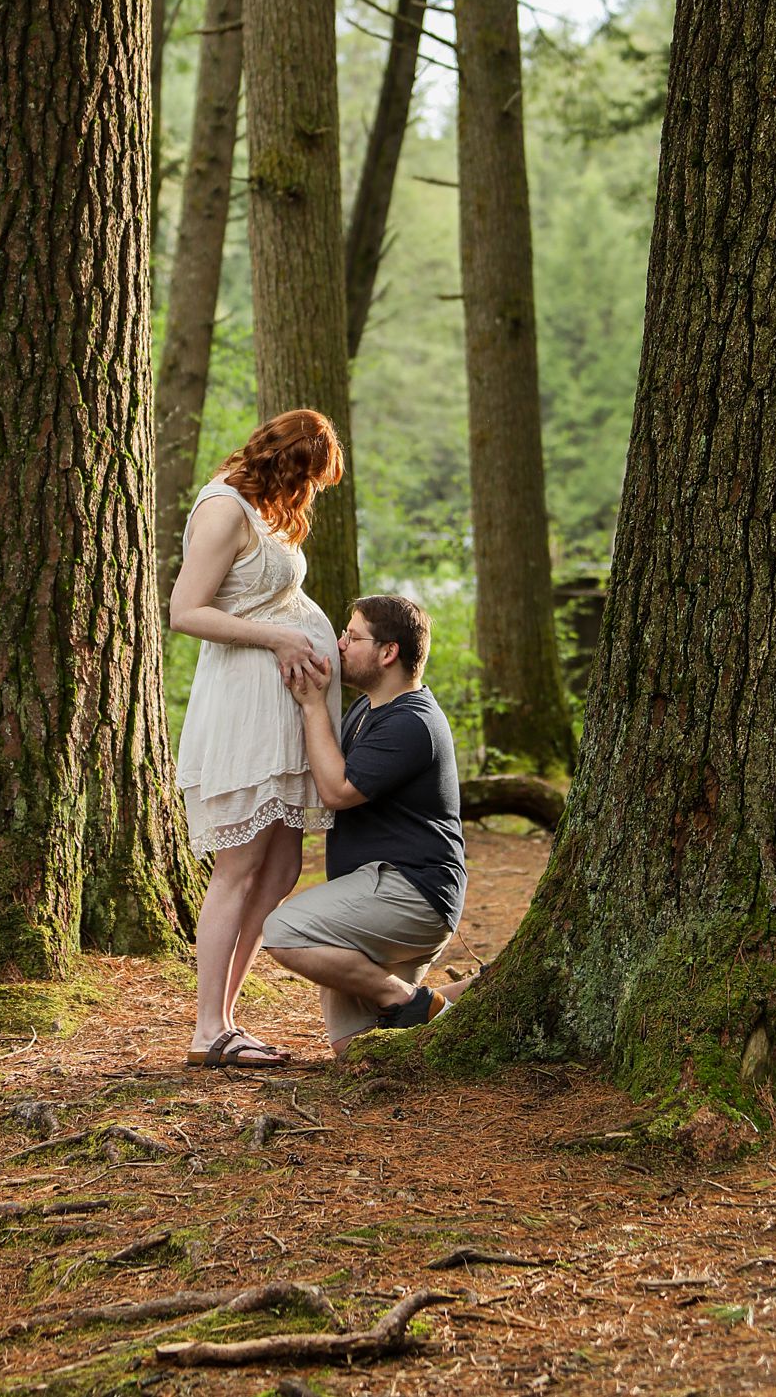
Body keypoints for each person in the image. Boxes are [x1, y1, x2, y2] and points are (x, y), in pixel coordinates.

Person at [169, 410, 345, 1067]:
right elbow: (186, 610)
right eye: (309, 475)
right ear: (284, 461)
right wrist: (279, 636)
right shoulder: (224, 507)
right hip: (244, 706)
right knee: (239, 867)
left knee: (281, 867)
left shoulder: (269, 508)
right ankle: (206, 1027)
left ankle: (228, 1018)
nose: (312, 490)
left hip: (284, 712)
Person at [262, 594, 467, 1057]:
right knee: (357, 1049)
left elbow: (337, 791)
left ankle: (400, 995)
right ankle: (479, 994)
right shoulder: (368, 709)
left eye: (352, 637)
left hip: (411, 893)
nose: (339, 644)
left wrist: (313, 706)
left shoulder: (411, 722)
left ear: (388, 652)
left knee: (282, 931)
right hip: (375, 898)